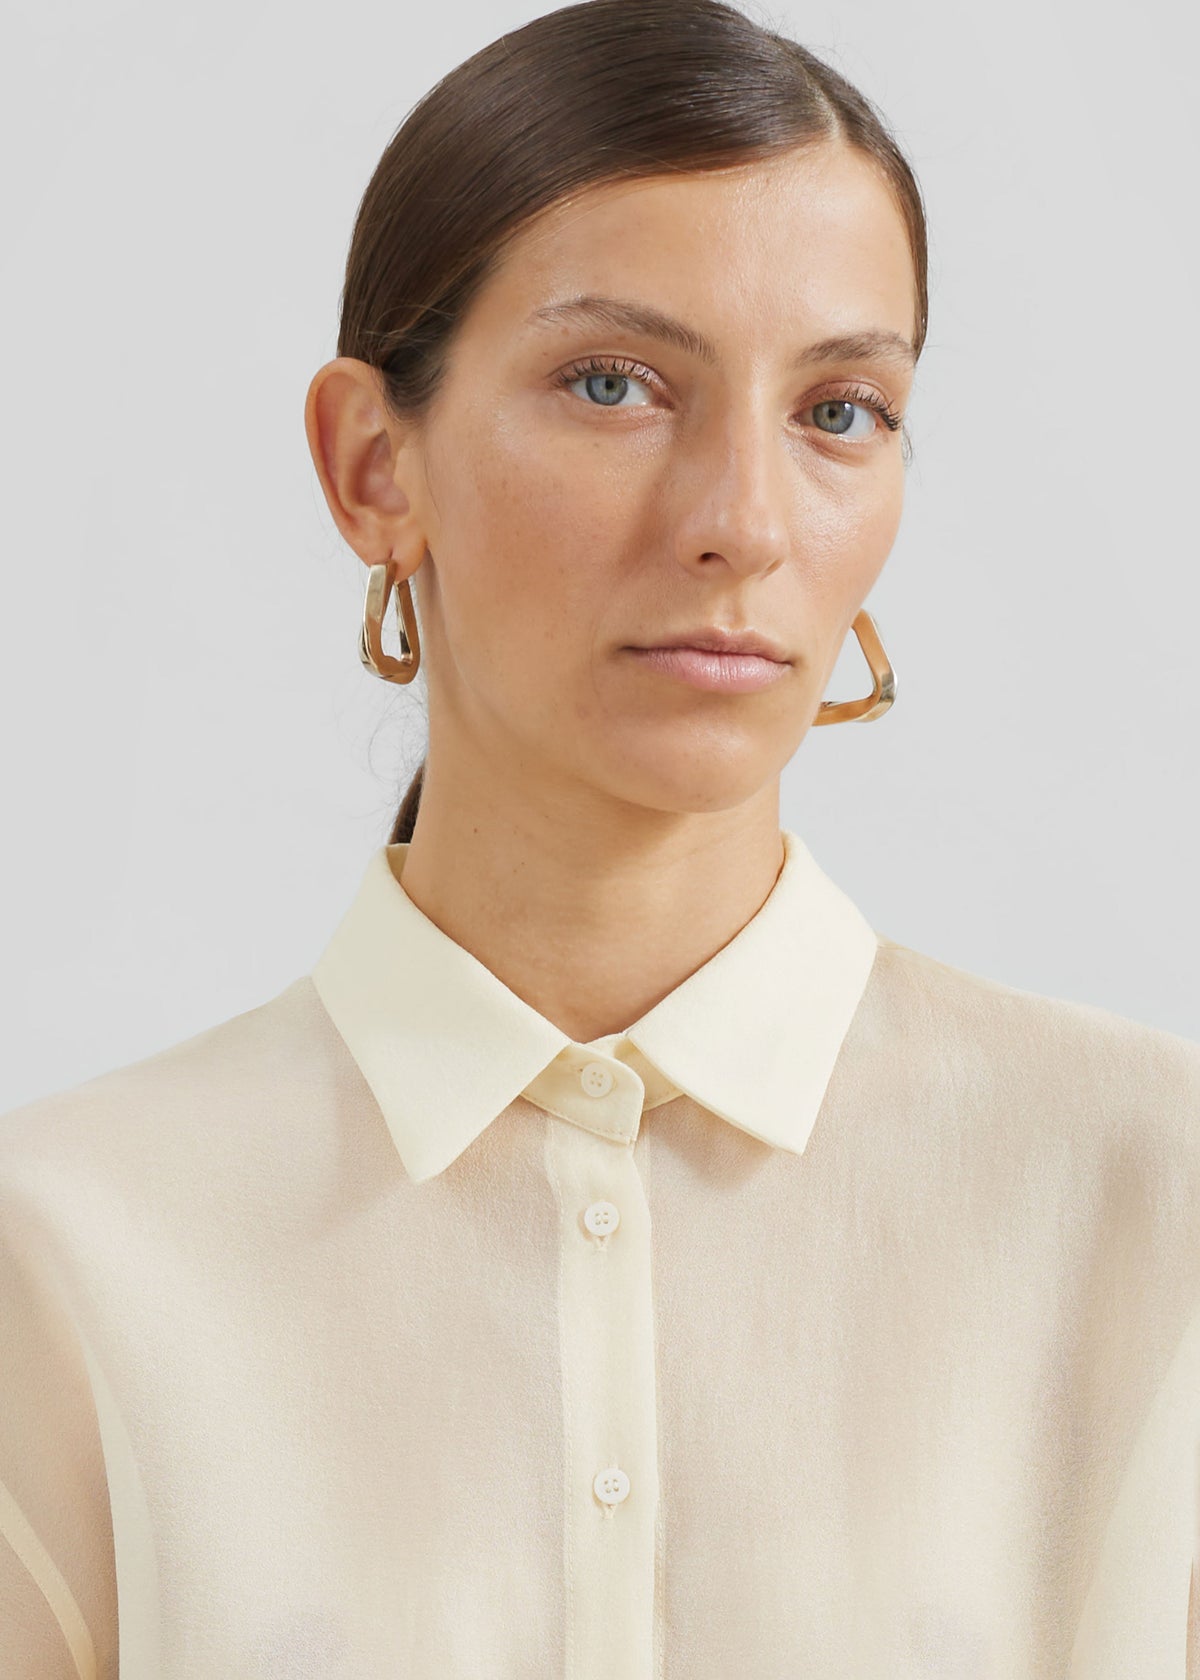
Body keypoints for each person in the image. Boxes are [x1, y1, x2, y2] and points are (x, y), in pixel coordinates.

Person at [2, 0, 1198, 1675]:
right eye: (615, 384)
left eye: (840, 409)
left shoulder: (1155, 1195)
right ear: (372, 465)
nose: (744, 523)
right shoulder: (66, 1249)